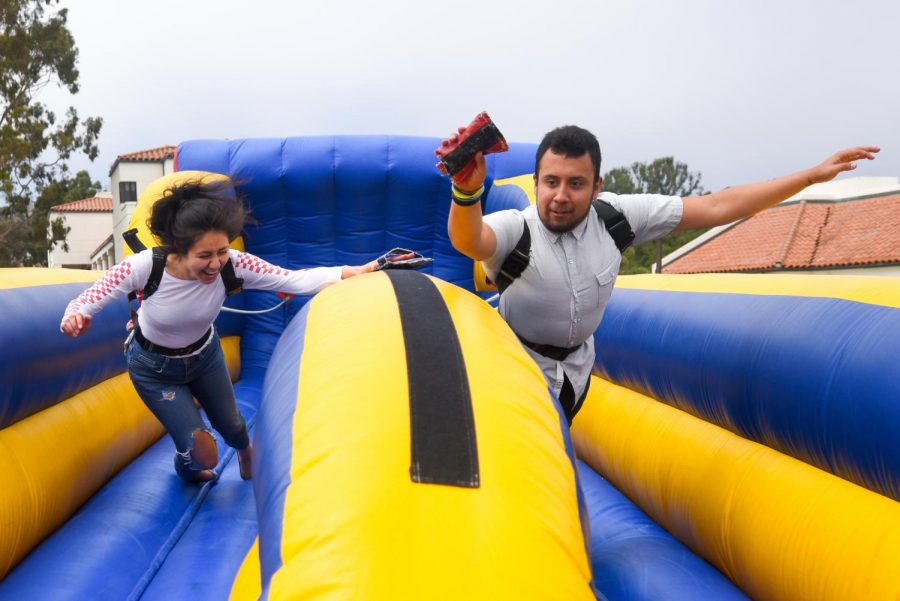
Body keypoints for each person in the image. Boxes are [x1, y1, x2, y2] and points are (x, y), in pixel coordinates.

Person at [445, 124, 879, 423]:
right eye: (551, 182)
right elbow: (471, 241)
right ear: (537, 181)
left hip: (575, 371)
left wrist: (808, 177)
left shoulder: (616, 216)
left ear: (596, 186)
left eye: (575, 183)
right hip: (517, 369)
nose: (561, 196)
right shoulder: (518, 229)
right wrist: (466, 192)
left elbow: (716, 206)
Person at [60, 179, 403, 483]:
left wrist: (352, 271)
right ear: (179, 250)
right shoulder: (147, 266)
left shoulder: (234, 266)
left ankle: (243, 450)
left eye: (222, 251)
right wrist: (76, 314)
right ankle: (188, 467)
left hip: (204, 357)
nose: (215, 263)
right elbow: (93, 294)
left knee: (235, 428)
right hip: (154, 369)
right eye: (204, 255)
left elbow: (293, 279)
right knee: (202, 453)